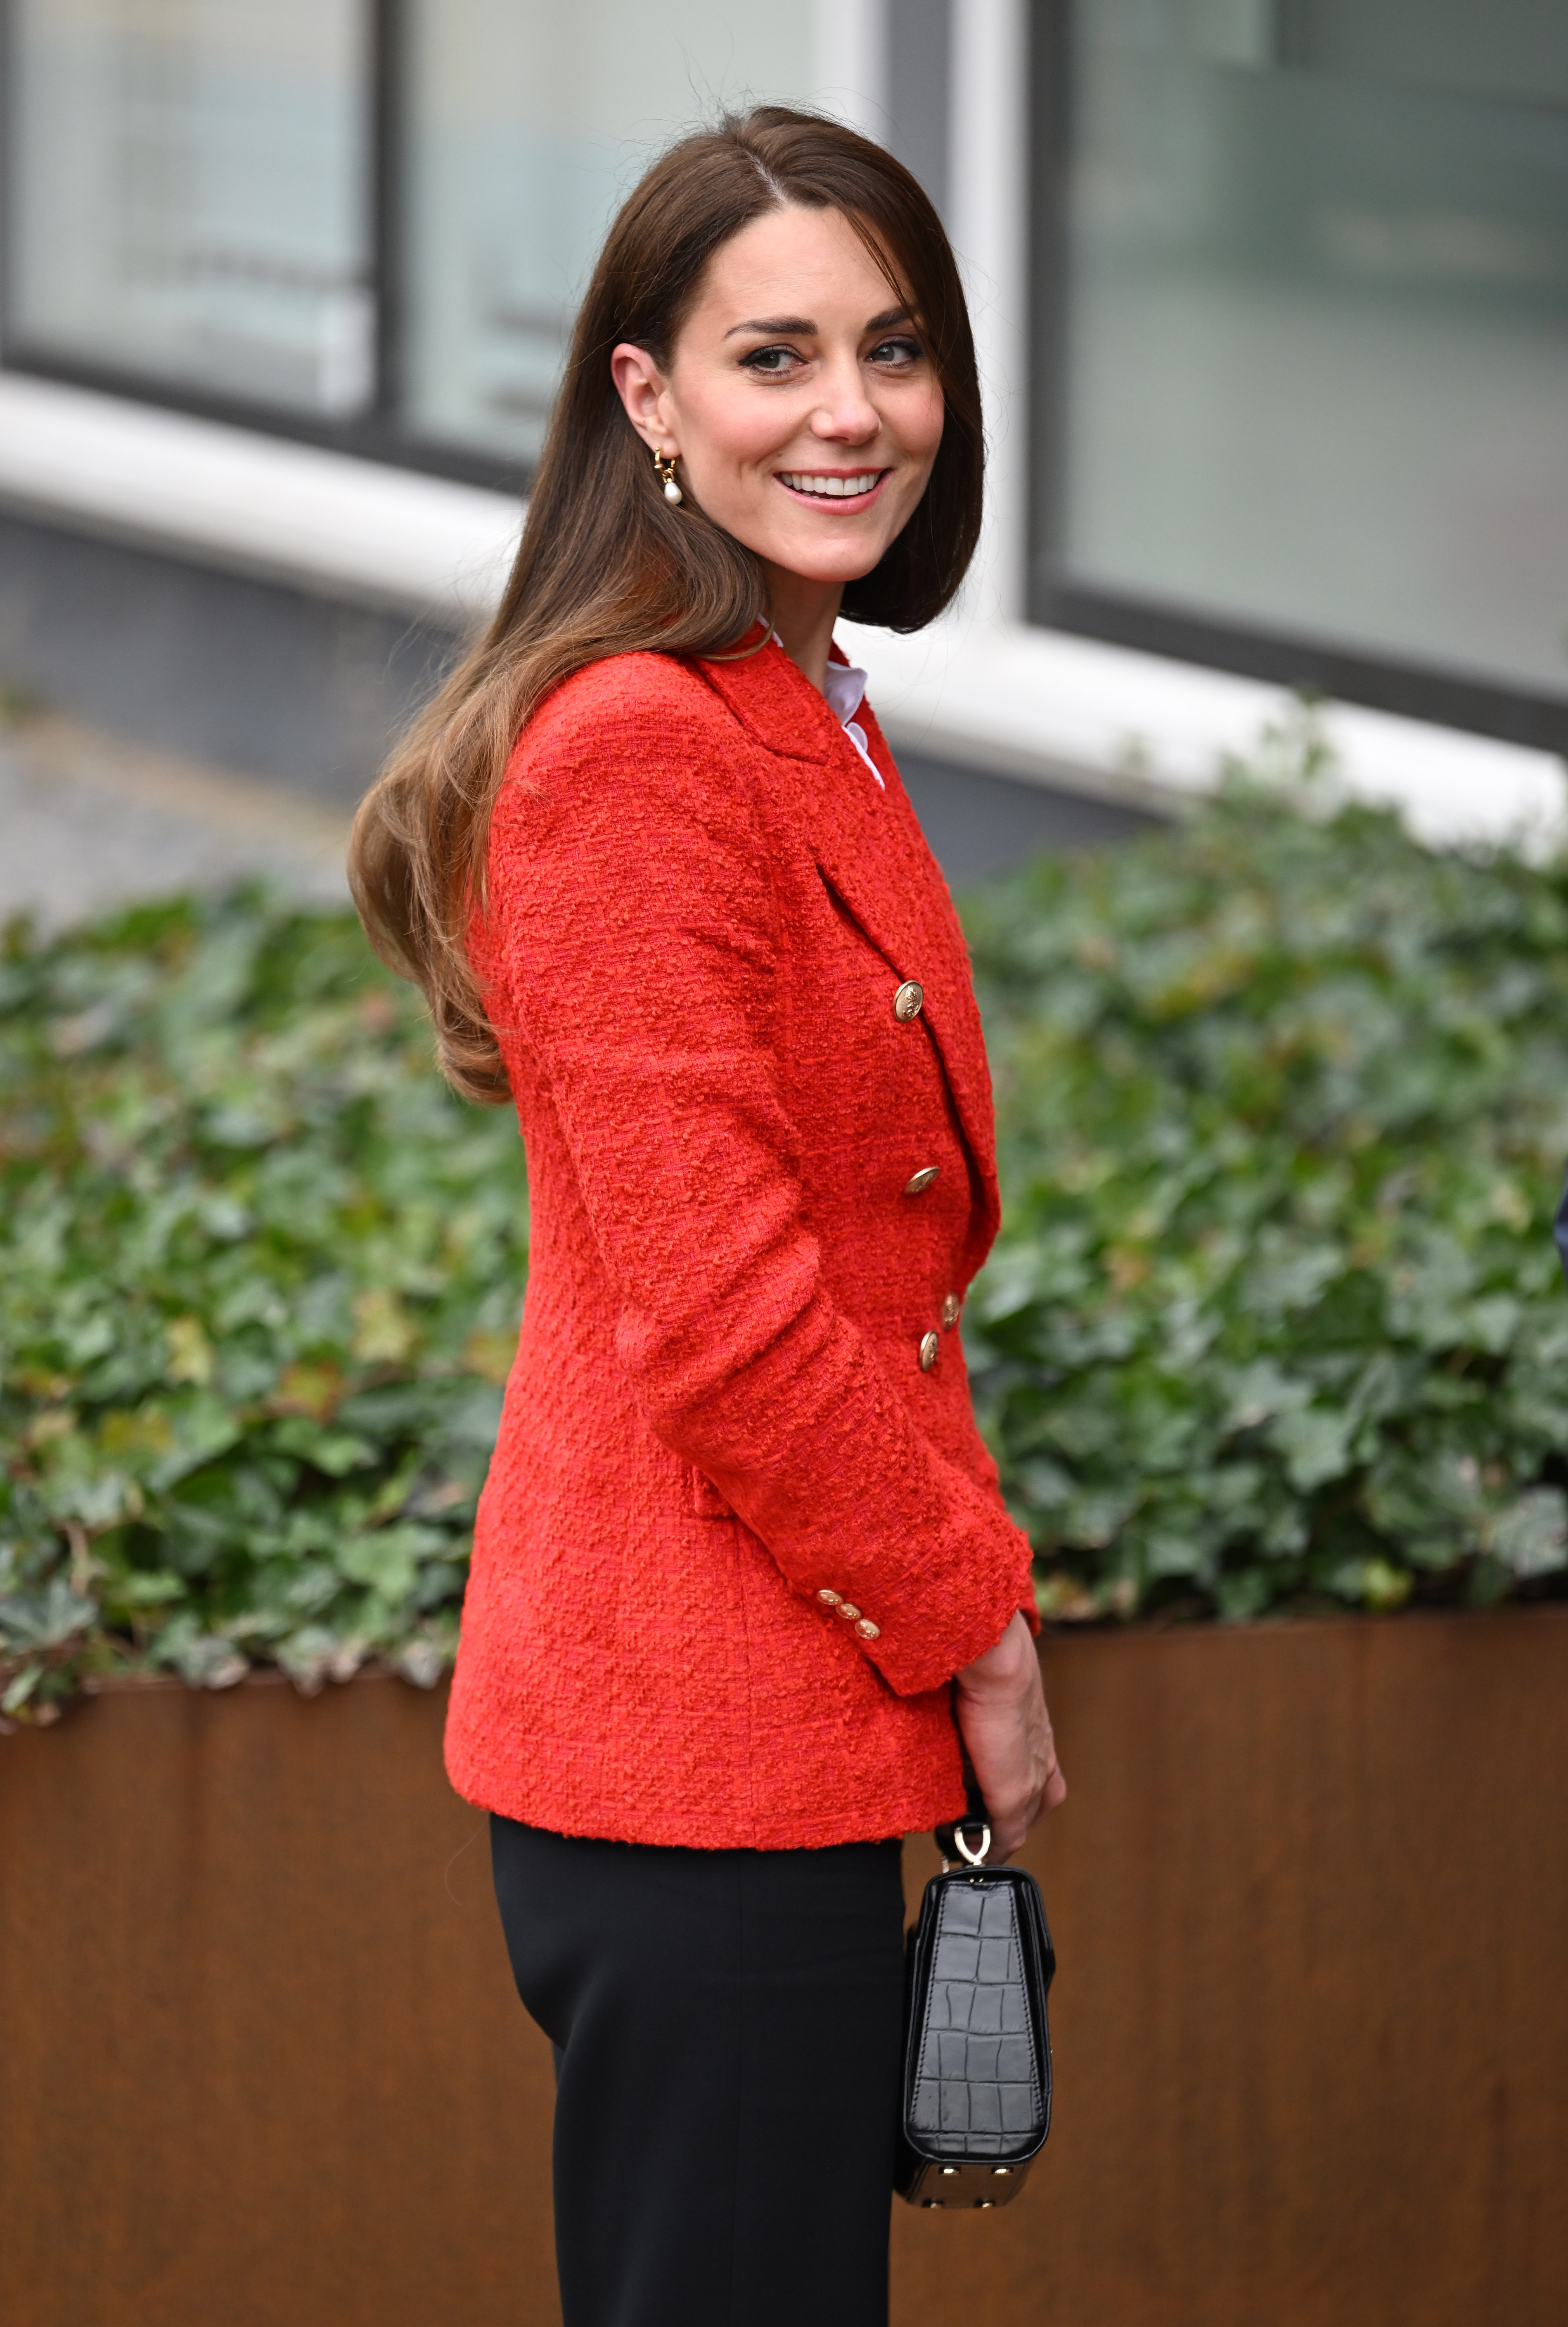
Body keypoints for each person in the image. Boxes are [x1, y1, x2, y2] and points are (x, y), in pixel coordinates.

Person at [349, 105, 1066, 2327]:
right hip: (698, 1762)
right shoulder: (640, 747)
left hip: (768, 1729)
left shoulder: (797, 698)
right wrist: (979, 1625)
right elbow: (733, 1319)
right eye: (775, 355)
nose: (853, 411)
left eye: (896, 347)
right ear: (646, 398)